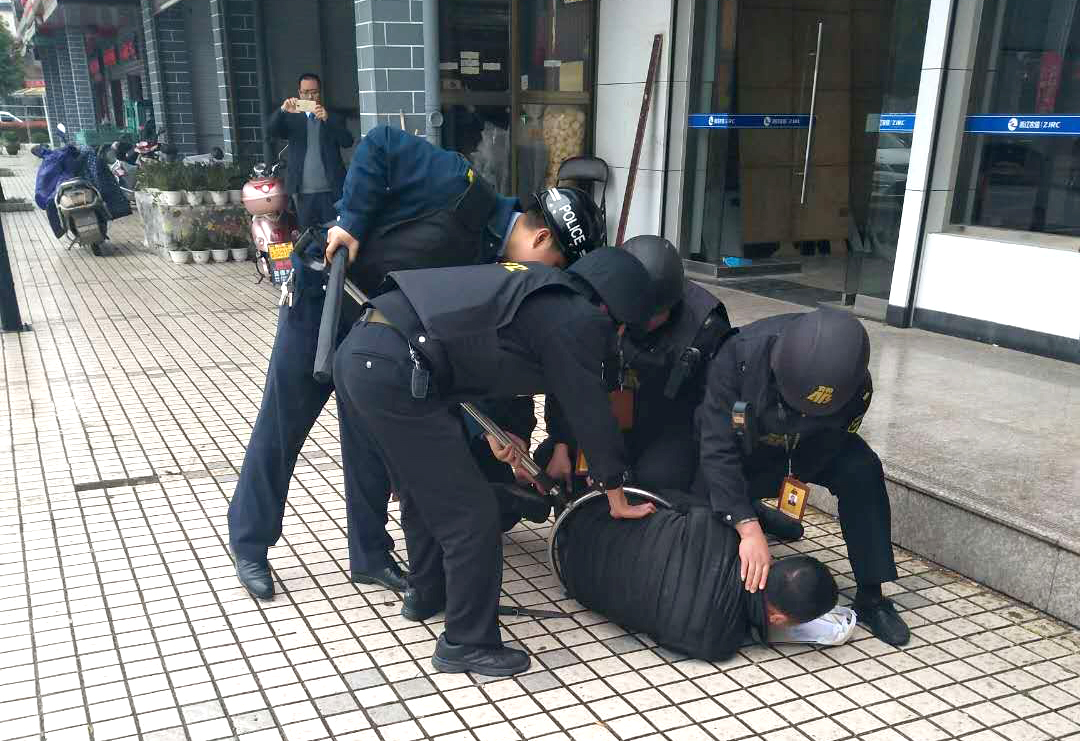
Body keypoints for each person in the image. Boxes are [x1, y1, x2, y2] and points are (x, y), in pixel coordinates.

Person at [227, 121, 605, 603]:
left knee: (368, 441)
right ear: (542, 239)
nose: (549, 281)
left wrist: (500, 431)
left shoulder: (498, 273)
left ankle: (370, 554)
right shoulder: (461, 188)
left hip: (376, 334)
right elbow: (381, 144)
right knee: (283, 424)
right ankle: (250, 542)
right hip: (324, 298)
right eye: (557, 267)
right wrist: (351, 220)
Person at [332, 248, 661, 676]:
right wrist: (615, 494)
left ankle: (428, 593)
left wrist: (504, 433)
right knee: (471, 515)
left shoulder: (536, 290)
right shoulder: (577, 318)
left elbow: (482, 354)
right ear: (612, 309)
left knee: (423, 489)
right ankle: (466, 642)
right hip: (395, 366)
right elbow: (589, 406)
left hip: (366, 352)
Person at [694, 308, 910, 646]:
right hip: (747, 451)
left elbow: (839, 437)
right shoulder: (738, 356)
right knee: (702, 489)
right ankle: (752, 515)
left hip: (806, 450)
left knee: (862, 468)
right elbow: (716, 447)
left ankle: (872, 596)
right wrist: (746, 525)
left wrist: (795, 477)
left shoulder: (855, 384)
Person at [536, 235, 731, 496]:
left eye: (649, 315)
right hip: (610, 412)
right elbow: (568, 372)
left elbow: (715, 407)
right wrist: (562, 442)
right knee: (553, 460)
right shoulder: (598, 303)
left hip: (671, 424)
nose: (636, 321)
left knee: (655, 478)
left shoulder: (706, 327)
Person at [554, 491, 839, 661]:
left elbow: (677, 499)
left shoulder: (722, 530)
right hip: (575, 578)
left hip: (587, 517)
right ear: (777, 619)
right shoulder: (717, 643)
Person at [266, 72, 353, 228]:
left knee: (333, 234)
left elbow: (347, 141)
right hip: (301, 192)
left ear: (320, 93)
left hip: (331, 191)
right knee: (306, 235)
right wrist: (282, 110)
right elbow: (270, 131)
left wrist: (328, 119)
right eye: (305, 92)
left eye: (314, 92)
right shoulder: (292, 117)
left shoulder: (333, 116)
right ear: (299, 93)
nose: (310, 97)